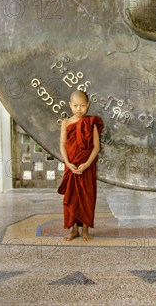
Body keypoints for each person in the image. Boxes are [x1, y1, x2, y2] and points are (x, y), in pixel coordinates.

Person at [57, 90, 103, 241]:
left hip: (87, 167)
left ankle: (85, 230)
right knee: (72, 197)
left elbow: (96, 147)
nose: (79, 109)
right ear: (70, 105)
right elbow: (62, 145)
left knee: (86, 198)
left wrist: (87, 164)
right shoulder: (66, 123)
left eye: (82, 105)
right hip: (71, 166)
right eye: (76, 105)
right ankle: (73, 230)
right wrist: (68, 163)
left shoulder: (91, 123)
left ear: (88, 105)